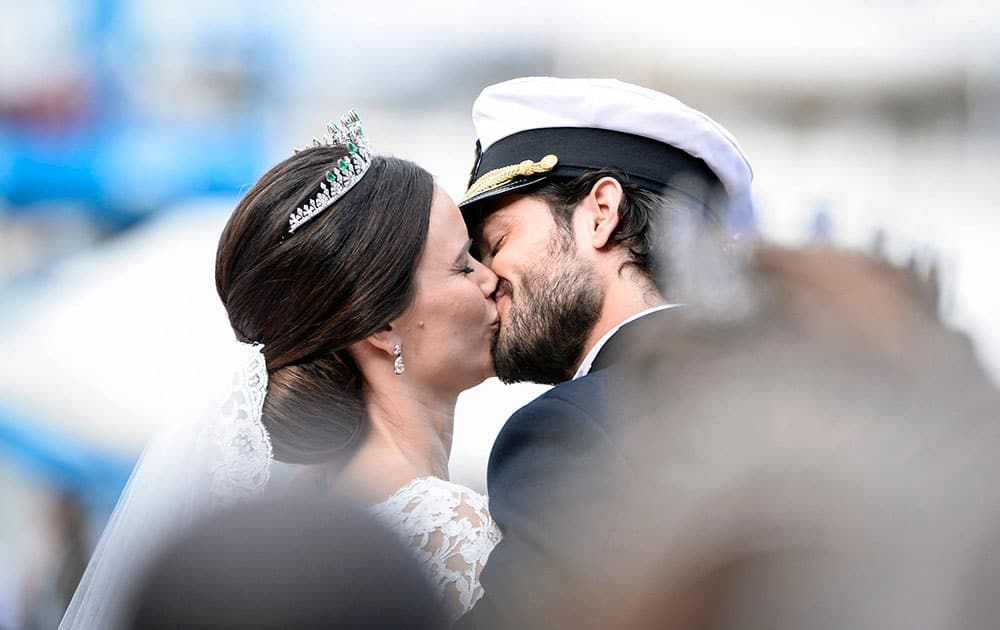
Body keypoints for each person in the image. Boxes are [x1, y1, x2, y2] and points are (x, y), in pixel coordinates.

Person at [61, 111, 502, 628]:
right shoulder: (448, 534)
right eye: (463, 262)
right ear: (381, 326)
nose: (491, 278)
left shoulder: (298, 525)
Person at [455, 77, 755, 628]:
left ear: (600, 211)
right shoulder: (792, 394)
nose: (487, 279)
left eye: (497, 243)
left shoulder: (569, 429)